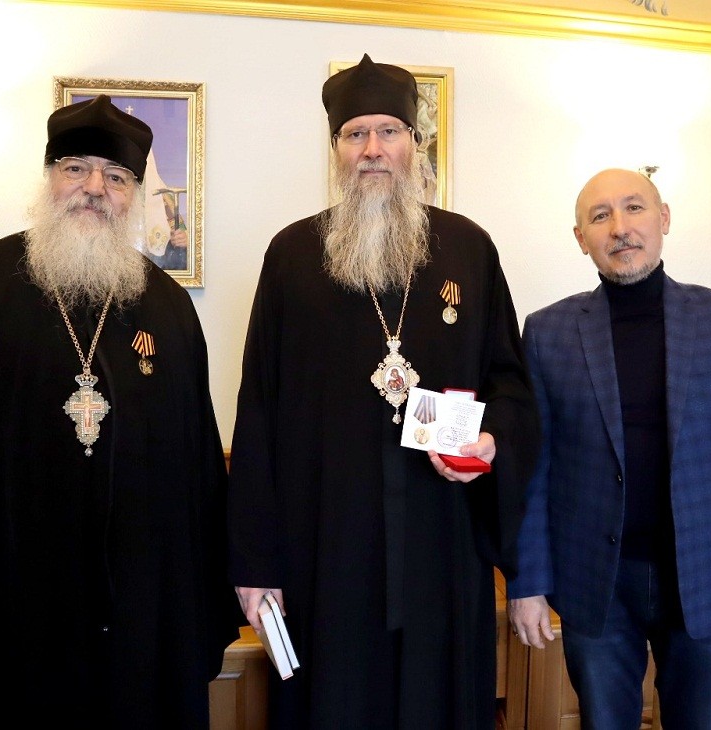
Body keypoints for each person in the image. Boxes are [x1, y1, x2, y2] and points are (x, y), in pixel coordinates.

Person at [0, 95, 238, 727]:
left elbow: (196, 472)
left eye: (116, 177)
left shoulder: (167, 309)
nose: (95, 188)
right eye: (76, 168)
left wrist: (191, 615)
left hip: (135, 625)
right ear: (49, 178)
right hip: (2, 619)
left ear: (134, 195)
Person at [227, 53, 540, 729]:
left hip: (441, 546)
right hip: (324, 551)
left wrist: (490, 439)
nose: (372, 148)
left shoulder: (469, 250)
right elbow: (257, 414)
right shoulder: (291, 256)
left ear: (414, 145)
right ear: (337, 150)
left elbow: (512, 387)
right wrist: (255, 563)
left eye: (389, 131)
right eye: (355, 134)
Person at [507, 168, 711, 729]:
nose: (620, 227)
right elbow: (532, 472)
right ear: (581, 238)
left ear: (663, 219)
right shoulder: (546, 332)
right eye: (600, 216)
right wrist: (527, 583)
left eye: (634, 208)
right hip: (595, 579)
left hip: (707, 572)